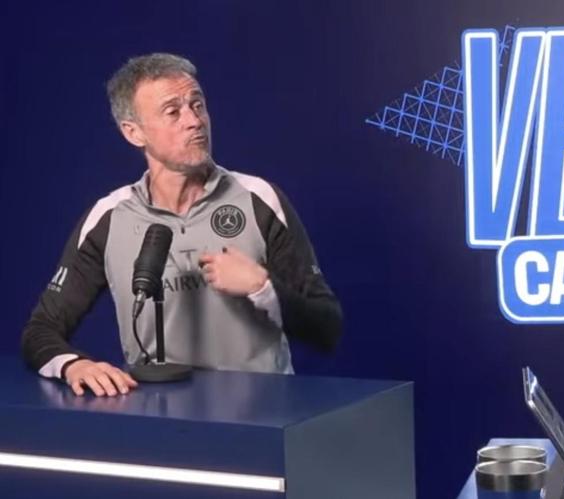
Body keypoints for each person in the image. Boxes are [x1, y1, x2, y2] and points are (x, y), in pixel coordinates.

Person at [21, 53, 343, 397]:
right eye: (173, 111)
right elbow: (41, 330)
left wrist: (262, 287)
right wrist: (74, 365)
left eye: (198, 105)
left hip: (263, 416)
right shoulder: (109, 217)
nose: (194, 121)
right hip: (158, 419)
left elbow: (327, 327)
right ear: (133, 132)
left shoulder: (259, 199)